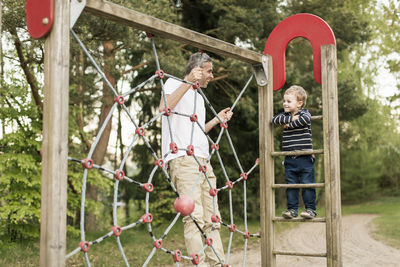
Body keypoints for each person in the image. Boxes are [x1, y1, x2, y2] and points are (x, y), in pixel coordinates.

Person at [159, 52, 233, 266]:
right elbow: (164, 108)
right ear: (197, 70)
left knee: (212, 218)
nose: (211, 76)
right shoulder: (174, 83)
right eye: (209, 71)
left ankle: (217, 262)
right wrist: (188, 82)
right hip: (183, 158)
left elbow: (198, 131)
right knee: (194, 217)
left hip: (203, 160)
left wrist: (215, 121)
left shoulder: (198, 97)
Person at [272, 85, 316, 219]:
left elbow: (305, 119)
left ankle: (310, 210)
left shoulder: (304, 113)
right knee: (291, 185)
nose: (285, 103)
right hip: (290, 158)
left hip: (305, 157)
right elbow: (275, 120)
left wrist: (290, 125)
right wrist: (291, 119)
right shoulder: (284, 116)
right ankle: (292, 210)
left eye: (289, 101)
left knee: (308, 184)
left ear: (299, 103)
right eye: (284, 101)